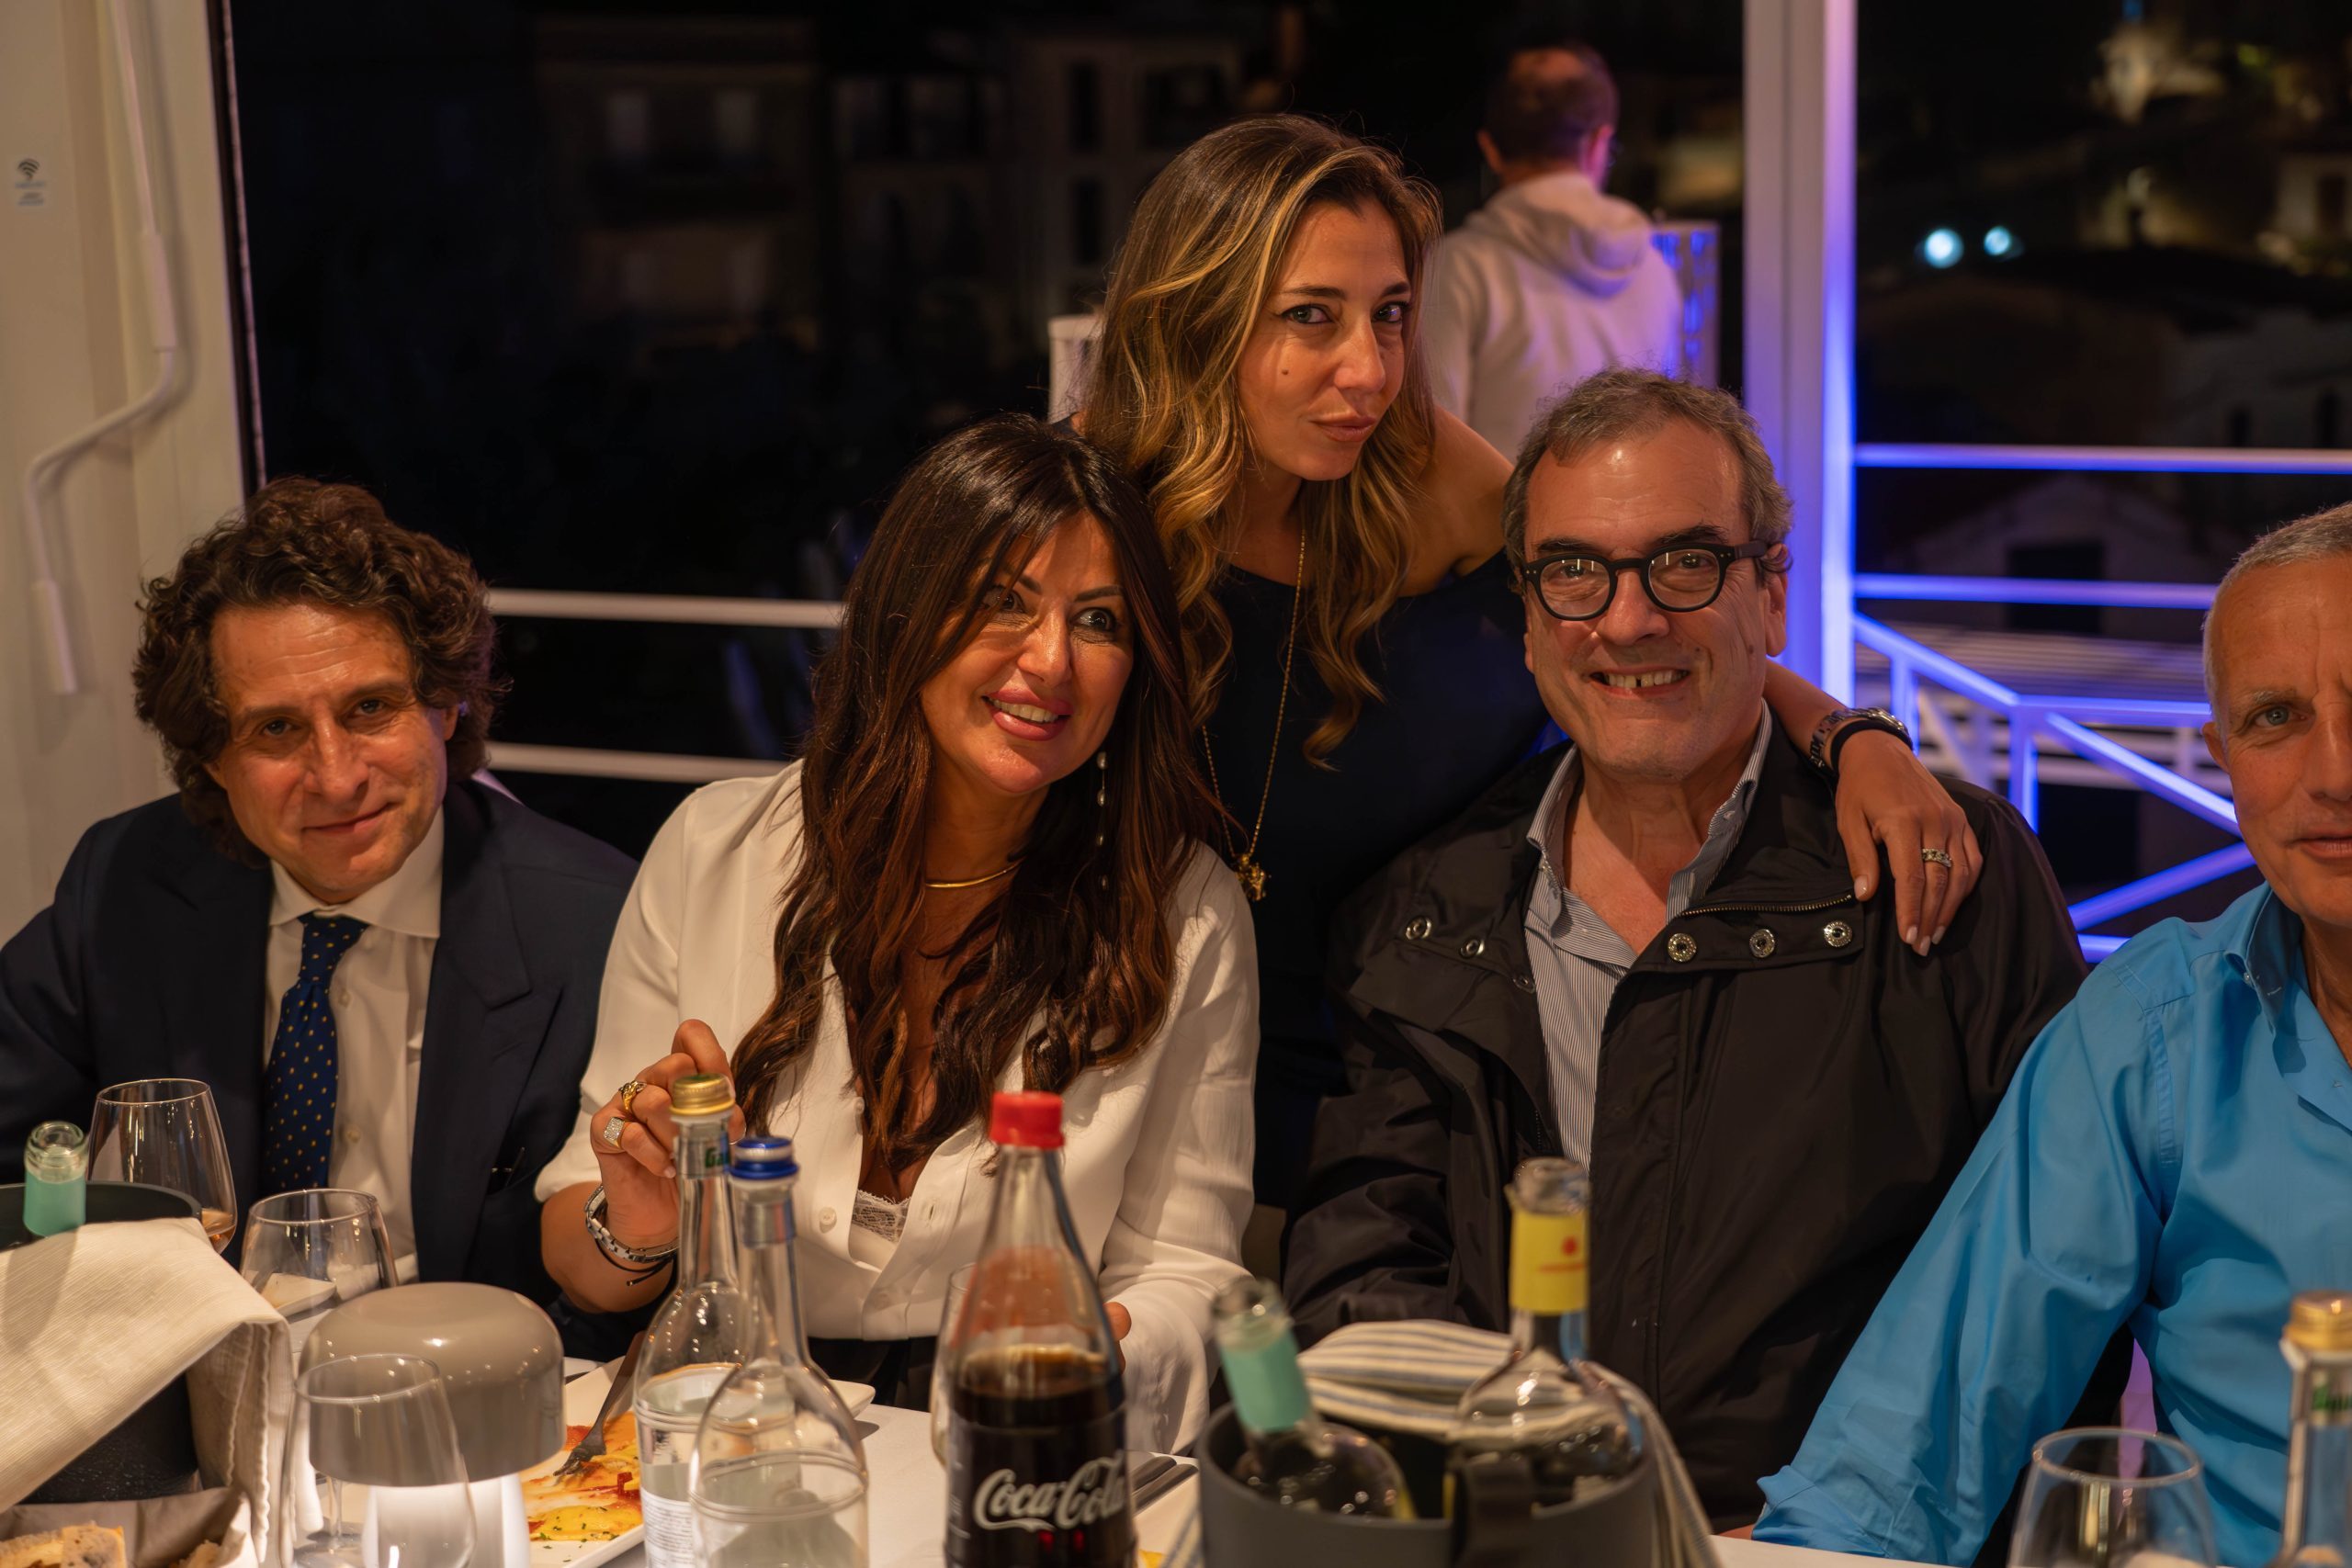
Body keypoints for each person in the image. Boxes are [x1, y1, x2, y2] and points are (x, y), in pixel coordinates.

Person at [1080, 114, 1986, 1213]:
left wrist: (1852, 738)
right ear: (1196, 315)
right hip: (1124, 1098)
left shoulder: (1415, 472)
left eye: (1390, 315)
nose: (1368, 370)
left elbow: (1636, 614)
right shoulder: (1088, 505)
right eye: (1311, 317)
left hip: (1388, 1113)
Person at [1281, 369, 2098, 1528]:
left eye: (1684, 562)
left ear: (1772, 596)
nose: (1627, 621)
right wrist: (1478, 1498)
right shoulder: (1423, 912)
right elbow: (1364, 1271)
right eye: (1574, 570)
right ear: (1527, 619)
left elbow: (2047, 1280)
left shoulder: (1944, 868)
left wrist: (1834, 1528)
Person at [536, 416, 1256, 1452]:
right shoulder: (715, 848)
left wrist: (1090, 1345)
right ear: (906, 613)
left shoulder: (1181, 912)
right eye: (1004, 601)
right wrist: (642, 1227)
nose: (1052, 659)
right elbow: (582, 1250)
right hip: (738, 1422)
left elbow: (1186, 1268)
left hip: (1006, 1426)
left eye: (1098, 620)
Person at [1755, 501, 2352, 1568]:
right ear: (2221, 761)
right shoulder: (2154, 1033)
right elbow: (1908, 1453)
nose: (2335, 772)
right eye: (2275, 718)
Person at [0, 479, 636, 1303]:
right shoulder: (125, 881)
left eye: (371, 707)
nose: (337, 778)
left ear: (446, 706)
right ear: (213, 757)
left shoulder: (592, 926)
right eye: (277, 728)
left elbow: (626, 1283)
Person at [1419, 38, 1684, 457]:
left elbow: (1434, 444)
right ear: (1599, 142)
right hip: (1636, 502)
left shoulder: (1457, 269)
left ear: (1490, 149)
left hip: (1505, 505)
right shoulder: (1654, 270)